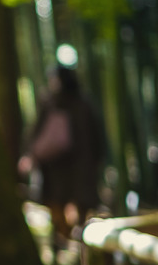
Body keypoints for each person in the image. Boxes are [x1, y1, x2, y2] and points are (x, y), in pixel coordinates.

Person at [19, 65, 104, 245]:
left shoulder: (53, 102)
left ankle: (71, 241)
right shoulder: (80, 103)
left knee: (67, 204)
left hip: (63, 167)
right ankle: (70, 241)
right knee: (70, 204)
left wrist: (30, 153)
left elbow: (36, 133)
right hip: (68, 167)